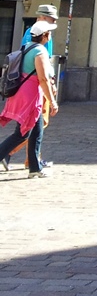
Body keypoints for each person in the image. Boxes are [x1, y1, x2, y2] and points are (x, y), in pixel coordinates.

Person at [0, 21, 59, 178]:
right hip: (30, 96)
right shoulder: (40, 52)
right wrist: (52, 101)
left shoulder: (26, 47)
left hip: (23, 93)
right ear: (45, 35)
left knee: (36, 131)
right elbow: (43, 79)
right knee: (22, 134)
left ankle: (35, 168)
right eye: (49, 33)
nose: (50, 35)